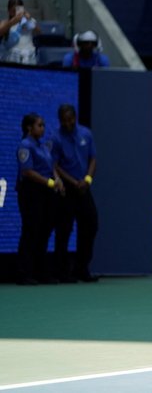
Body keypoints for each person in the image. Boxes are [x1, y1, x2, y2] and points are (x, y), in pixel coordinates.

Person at [51, 104, 99, 283]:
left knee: (91, 225)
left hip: (84, 187)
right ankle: (62, 272)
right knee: (64, 230)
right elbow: (55, 165)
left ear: (75, 117)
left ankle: (82, 269)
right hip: (67, 190)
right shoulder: (55, 138)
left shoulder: (86, 134)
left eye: (70, 119)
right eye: (63, 120)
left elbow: (93, 158)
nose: (67, 123)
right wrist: (72, 182)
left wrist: (87, 179)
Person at [16, 113, 64, 285]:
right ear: (29, 127)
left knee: (44, 233)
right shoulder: (25, 145)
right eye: (39, 125)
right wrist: (50, 182)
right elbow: (27, 172)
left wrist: (57, 179)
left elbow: (52, 166)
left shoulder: (43, 147)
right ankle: (24, 273)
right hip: (31, 193)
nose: (42, 128)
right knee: (30, 232)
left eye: (43, 125)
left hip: (46, 194)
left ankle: (40, 272)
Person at [0, 0, 40, 65]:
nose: (16, 13)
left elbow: (39, 32)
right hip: (12, 57)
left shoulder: (29, 21)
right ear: (9, 11)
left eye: (18, 10)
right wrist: (12, 22)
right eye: (13, 11)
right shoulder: (5, 23)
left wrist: (29, 19)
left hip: (29, 56)